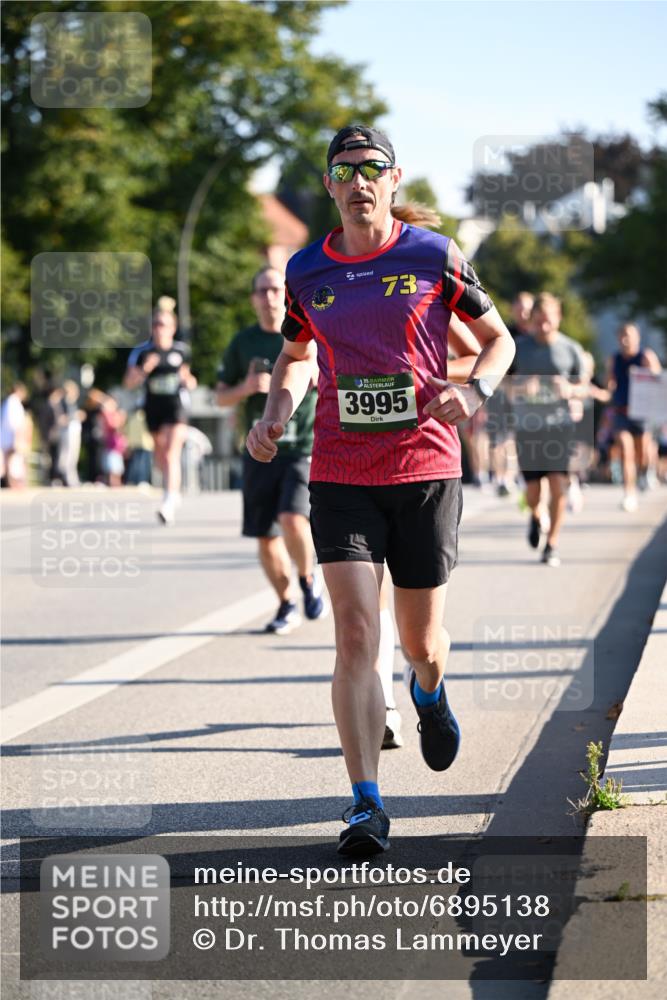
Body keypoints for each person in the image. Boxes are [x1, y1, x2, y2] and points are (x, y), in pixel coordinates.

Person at [247, 124, 515, 855]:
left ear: (393, 181)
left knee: (421, 641)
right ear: (330, 186)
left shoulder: (432, 255)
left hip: (426, 468)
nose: (358, 180)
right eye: (344, 170)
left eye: (372, 168)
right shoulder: (306, 271)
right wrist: (276, 411)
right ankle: (366, 803)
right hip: (339, 472)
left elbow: (498, 339)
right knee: (356, 634)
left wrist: (476, 390)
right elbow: (296, 356)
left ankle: (428, 691)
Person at [216, 265, 326, 634]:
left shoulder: (310, 334)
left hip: (301, 446)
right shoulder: (242, 342)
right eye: (262, 291)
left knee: (293, 518)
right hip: (259, 450)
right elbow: (218, 397)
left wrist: (319, 375)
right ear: (253, 299)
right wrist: (246, 387)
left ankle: (309, 580)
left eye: (276, 290)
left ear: (287, 295)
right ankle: (285, 602)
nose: (269, 298)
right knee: (264, 535)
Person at [510, 293, 587, 566]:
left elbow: (585, 385)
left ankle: (552, 544)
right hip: (528, 426)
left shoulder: (571, 349)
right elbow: (501, 384)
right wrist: (520, 388)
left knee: (558, 484)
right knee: (533, 491)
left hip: (560, 425)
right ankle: (535, 515)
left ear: (558, 318)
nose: (543, 327)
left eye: (549, 321)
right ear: (532, 320)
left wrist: (570, 389)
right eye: (539, 321)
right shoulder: (518, 347)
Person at [124, 297, 197, 523]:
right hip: (153, 408)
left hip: (176, 408)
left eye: (163, 324)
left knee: (171, 453)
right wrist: (145, 369)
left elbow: (190, 379)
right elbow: (128, 382)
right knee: (160, 455)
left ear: (172, 328)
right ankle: (172, 490)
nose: (159, 329)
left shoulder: (181, 351)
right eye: (155, 324)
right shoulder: (142, 352)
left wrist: (188, 380)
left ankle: (168, 500)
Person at [605, 323, 662, 511]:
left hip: (642, 413)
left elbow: (659, 379)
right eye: (621, 336)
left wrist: (645, 374)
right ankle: (629, 493)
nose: (625, 340)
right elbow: (609, 384)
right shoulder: (614, 359)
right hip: (622, 412)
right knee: (625, 450)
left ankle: (646, 471)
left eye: (628, 336)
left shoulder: (645, 356)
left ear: (637, 338)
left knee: (642, 454)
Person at [1, 382, 29, 488]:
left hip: (9, 436)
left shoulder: (10, 402)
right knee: (11, 460)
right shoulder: (12, 402)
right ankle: (10, 482)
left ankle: (10, 482)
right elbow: (13, 422)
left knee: (11, 460)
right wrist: (18, 436)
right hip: (12, 436)